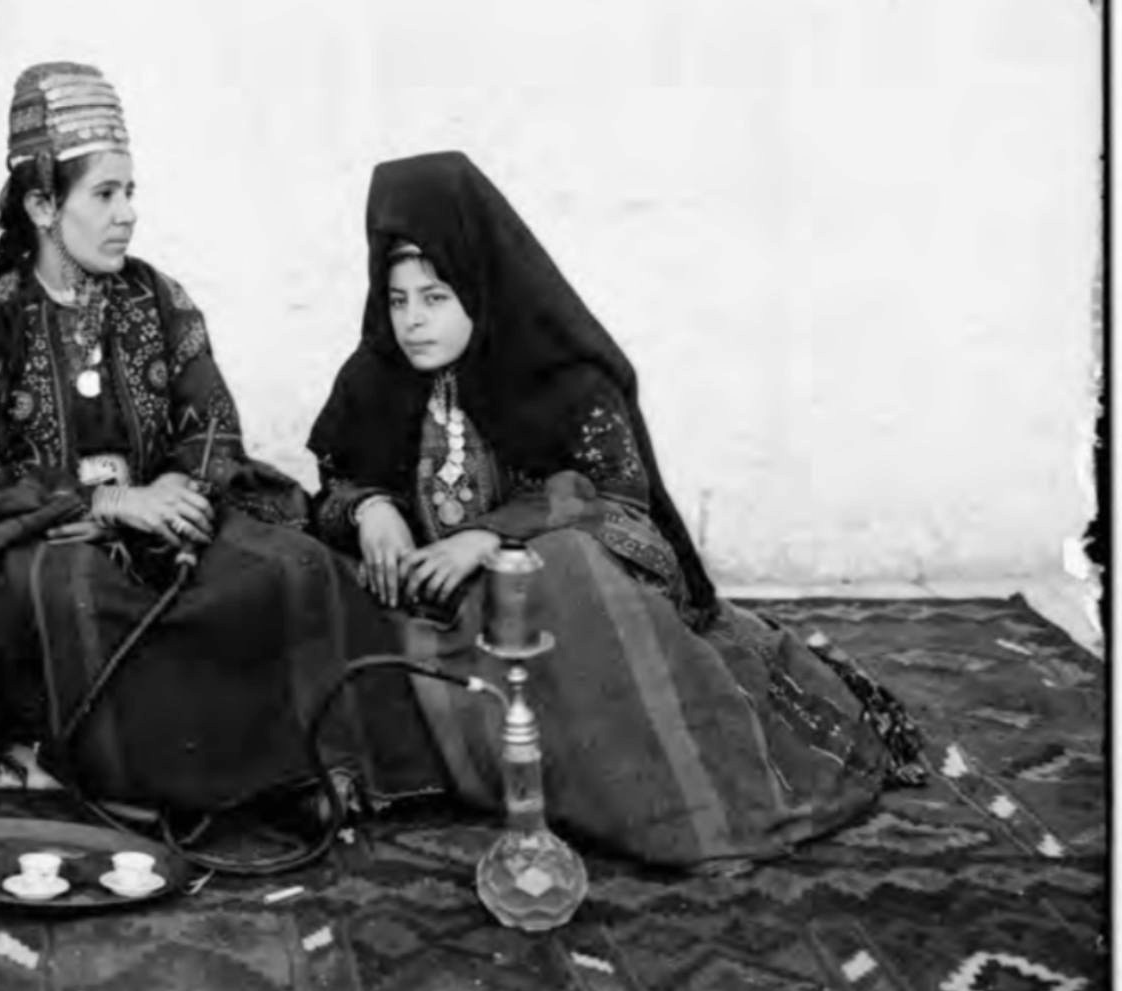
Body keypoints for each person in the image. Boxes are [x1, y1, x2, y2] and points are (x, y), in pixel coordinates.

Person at [307, 151, 926, 870]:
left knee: (562, 569)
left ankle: (684, 811)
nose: (412, 321)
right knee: (312, 578)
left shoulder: (564, 375)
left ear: (479, 281)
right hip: (433, 618)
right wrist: (368, 508)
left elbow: (622, 505)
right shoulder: (372, 378)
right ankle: (417, 763)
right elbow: (331, 485)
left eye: (436, 296)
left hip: (542, 615)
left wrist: (487, 538)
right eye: (398, 298)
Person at [0, 63, 442, 825]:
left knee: (295, 568)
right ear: (40, 203)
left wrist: (180, 497)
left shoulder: (159, 300)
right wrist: (111, 503)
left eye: (131, 192)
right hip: (51, 542)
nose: (127, 214)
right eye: (104, 194)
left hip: (172, 517)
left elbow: (211, 425)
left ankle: (315, 771)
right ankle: (132, 788)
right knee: (72, 593)